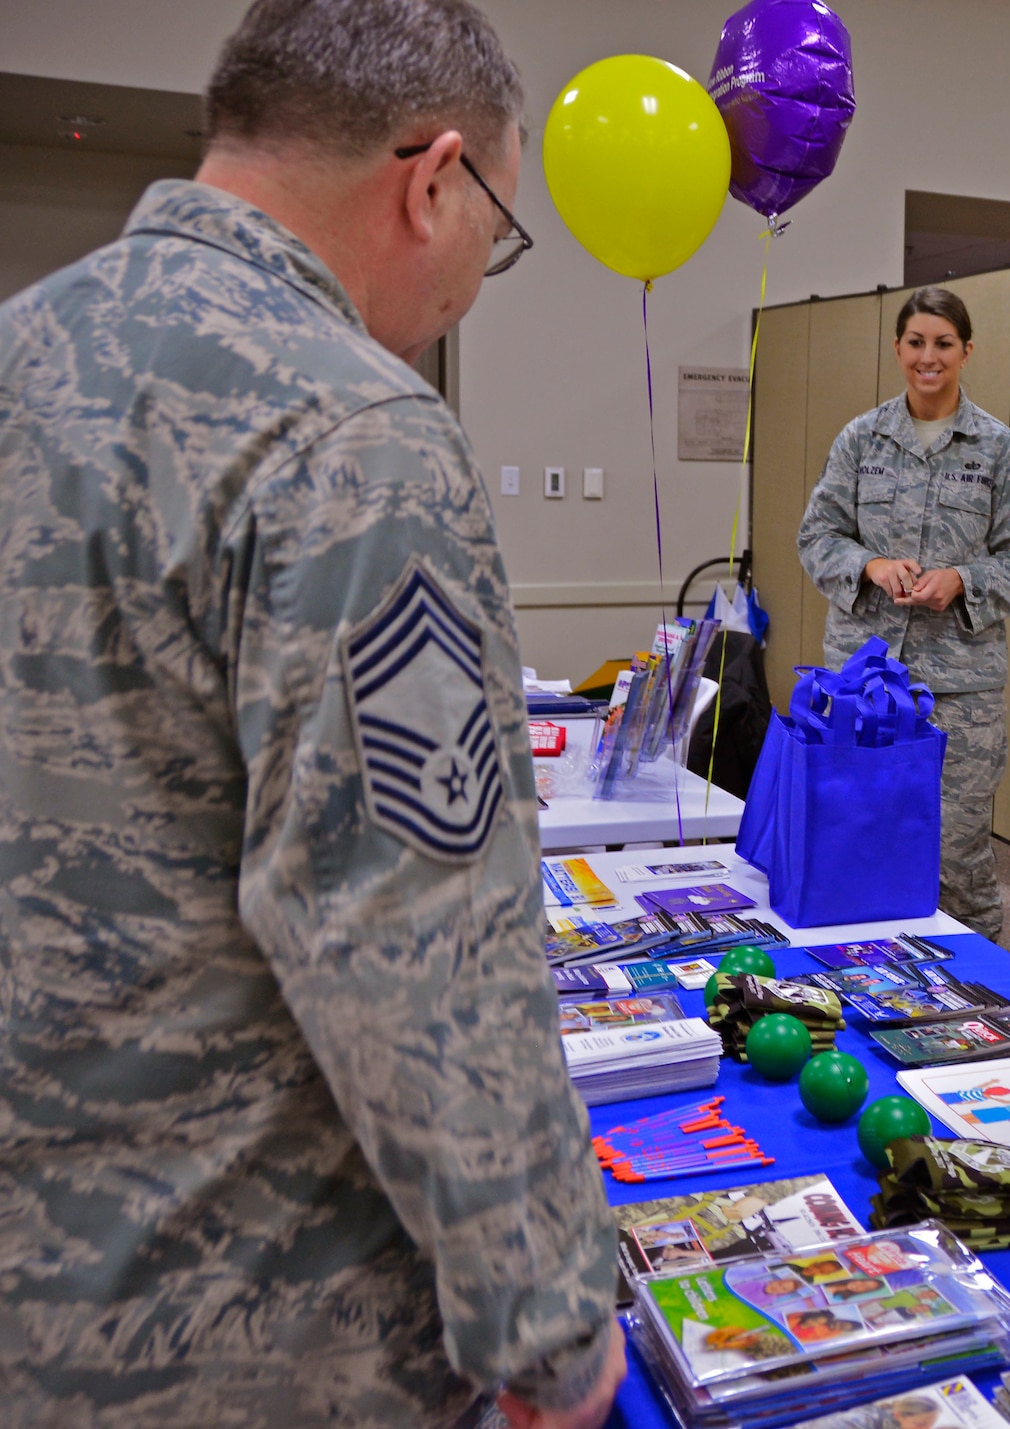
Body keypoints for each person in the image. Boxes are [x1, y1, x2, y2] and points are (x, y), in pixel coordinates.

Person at [0, 3, 624, 1426]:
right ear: (433, 179)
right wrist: (544, 1323)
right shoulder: (356, 432)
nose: (479, 277)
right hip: (255, 1321)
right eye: (499, 233)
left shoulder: (24, 351)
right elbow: (412, 934)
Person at [798, 286, 1010, 942]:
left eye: (944, 343)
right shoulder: (861, 440)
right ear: (897, 349)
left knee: (956, 855)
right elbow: (816, 537)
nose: (928, 356)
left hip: (960, 691)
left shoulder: (997, 448)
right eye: (916, 343)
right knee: (860, 837)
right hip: (865, 679)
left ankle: (975, 996)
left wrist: (963, 580)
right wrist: (871, 567)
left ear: (967, 352)